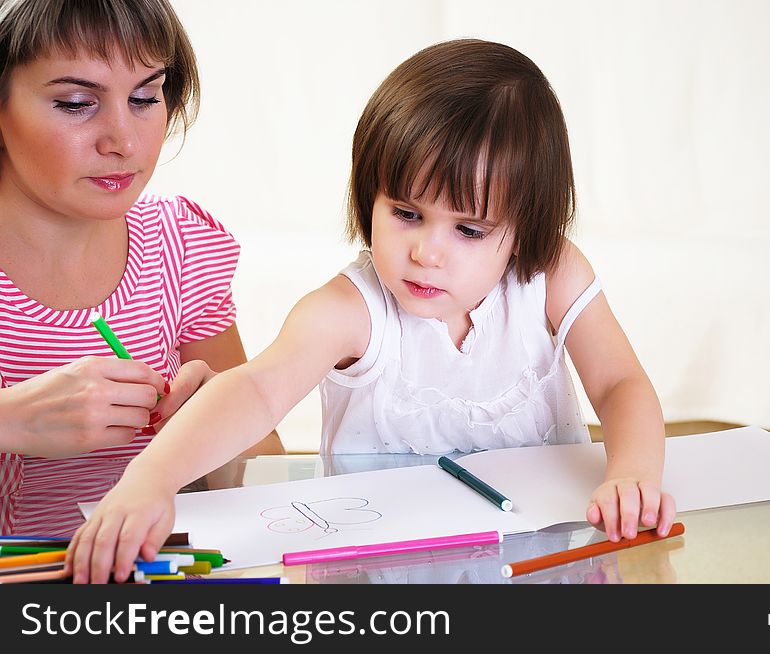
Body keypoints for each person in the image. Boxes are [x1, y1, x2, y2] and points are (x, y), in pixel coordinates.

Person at [68, 38, 676, 583]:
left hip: (543, 560)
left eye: (468, 229)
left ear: (525, 230)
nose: (425, 253)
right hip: (382, 576)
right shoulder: (349, 309)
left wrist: (634, 471)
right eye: (406, 213)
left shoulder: (551, 274)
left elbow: (620, 382)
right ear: (368, 197)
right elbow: (253, 390)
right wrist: (150, 480)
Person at [0, 0, 283, 537]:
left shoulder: (182, 248)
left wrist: (212, 433)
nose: (123, 142)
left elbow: (262, 471)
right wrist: (10, 420)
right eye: (76, 103)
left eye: (144, 98)